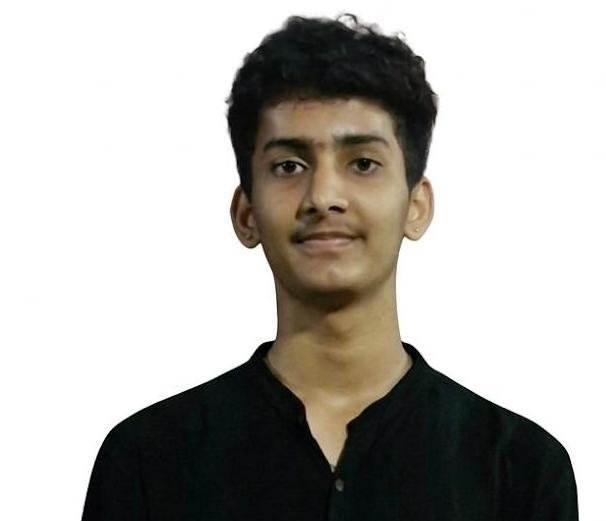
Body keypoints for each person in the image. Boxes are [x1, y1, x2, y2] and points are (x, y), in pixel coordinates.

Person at [81, 13, 578, 520]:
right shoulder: (147, 461)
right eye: (289, 166)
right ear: (246, 214)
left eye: (362, 163)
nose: (323, 196)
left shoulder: (520, 470)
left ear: (416, 205)